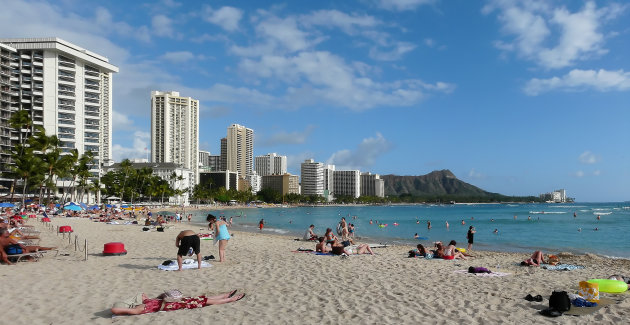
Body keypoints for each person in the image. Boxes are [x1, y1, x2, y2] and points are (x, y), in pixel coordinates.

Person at [110, 290, 245, 315]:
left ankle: (224, 295)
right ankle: (230, 299)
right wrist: (123, 308)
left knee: (199, 298)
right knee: (201, 302)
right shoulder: (139, 309)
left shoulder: (144, 302)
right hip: (172, 305)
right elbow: (114, 310)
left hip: (172, 302)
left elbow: (144, 294)